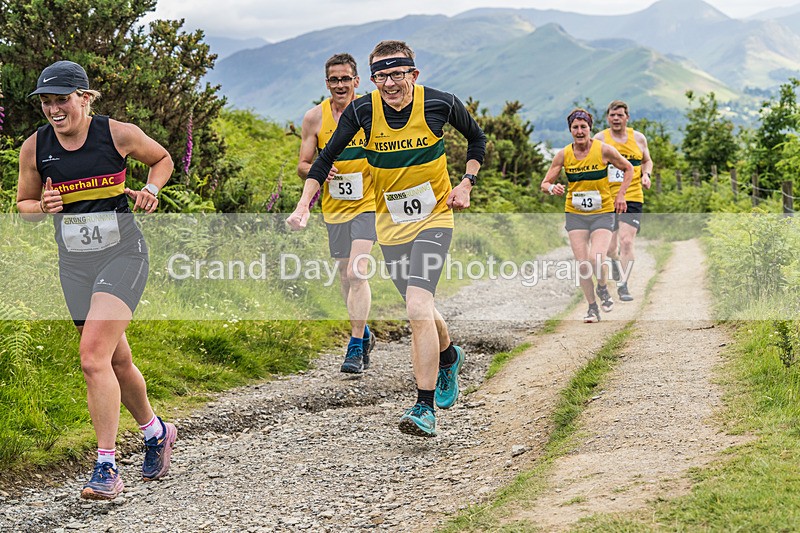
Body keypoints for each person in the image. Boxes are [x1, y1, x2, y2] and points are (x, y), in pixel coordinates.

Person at [288, 40, 486, 437]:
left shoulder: (440, 104)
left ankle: (424, 408)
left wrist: (466, 182)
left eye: (398, 74)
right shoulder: (363, 111)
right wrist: (303, 205)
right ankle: (449, 356)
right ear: (373, 79)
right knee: (423, 308)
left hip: (434, 220)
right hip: (391, 226)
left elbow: (477, 140)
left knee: (416, 307)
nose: (390, 84)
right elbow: (323, 160)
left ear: (413, 74)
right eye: (382, 76)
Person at [16, 60, 176, 500]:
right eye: (46, 101)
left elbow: (162, 159)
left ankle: (105, 466)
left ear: (85, 98)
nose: (53, 109)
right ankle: (156, 431)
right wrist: (42, 207)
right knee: (116, 362)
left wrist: (152, 189)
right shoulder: (35, 147)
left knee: (91, 358)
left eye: (62, 99)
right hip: (75, 266)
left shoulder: (117, 134)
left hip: (124, 255)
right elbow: (23, 205)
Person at [296, 53, 377, 374]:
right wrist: (317, 170)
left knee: (358, 272)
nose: (340, 85)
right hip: (334, 207)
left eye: (346, 79)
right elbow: (303, 165)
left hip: (369, 204)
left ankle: (355, 346)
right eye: (334, 79)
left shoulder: (372, 111)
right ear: (326, 83)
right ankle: (365, 330)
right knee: (345, 274)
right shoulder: (314, 118)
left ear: (357, 81)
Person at [541, 108, 633, 323]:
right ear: (570, 130)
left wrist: (621, 196)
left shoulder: (604, 150)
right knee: (583, 264)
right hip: (576, 214)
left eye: (584, 127)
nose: (580, 131)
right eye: (575, 127)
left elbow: (628, 168)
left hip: (602, 212)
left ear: (590, 129)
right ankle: (592, 307)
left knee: (597, 257)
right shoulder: (564, 154)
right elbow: (545, 183)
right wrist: (551, 188)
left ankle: (602, 288)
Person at [594, 100, 653, 301]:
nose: (616, 118)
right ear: (608, 117)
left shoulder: (638, 138)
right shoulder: (600, 139)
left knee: (627, 241)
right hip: (607, 197)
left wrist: (647, 175)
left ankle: (624, 285)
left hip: (633, 195)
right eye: (612, 115)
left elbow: (647, 160)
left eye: (620, 115)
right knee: (610, 248)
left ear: (627, 117)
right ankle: (615, 263)